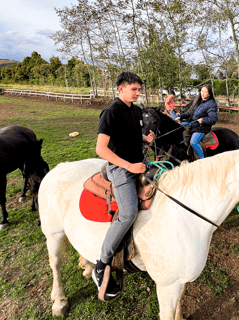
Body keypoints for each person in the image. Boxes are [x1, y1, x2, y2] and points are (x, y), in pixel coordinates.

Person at [94, 71, 154, 298]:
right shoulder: (110, 112)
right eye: (134, 89)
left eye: (139, 89)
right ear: (121, 89)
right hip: (121, 169)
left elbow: (129, 134)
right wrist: (128, 167)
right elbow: (101, 149)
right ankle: (102, 264)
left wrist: (144, 139)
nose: (138, 93)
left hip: (139, 162)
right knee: (128, 213)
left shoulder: (136, 110)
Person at [175, 84, 218, 159]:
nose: (203, 93)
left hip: (202, 128)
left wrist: (203, 120)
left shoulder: (211, 104)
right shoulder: (198, 101)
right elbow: (189, 113)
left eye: (205, 92)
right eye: (202, 91)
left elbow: (213, 118)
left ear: (209, 94)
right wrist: (180, 116)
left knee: (193, 142)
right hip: (193, 125)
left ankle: (201, 159)